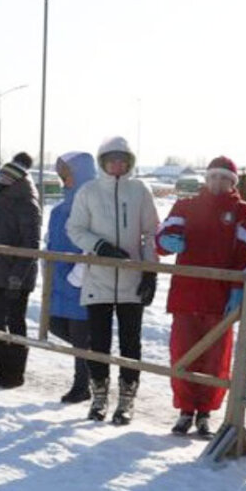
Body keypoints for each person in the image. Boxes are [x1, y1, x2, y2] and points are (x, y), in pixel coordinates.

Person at [156, 156, 246, 438]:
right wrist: (166, 240)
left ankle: (205, 413)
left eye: (225, 178)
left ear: (232, 182)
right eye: (213, 177)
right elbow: (164, 234)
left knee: (215, 359)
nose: (217, 183)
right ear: (206, 178)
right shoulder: (185, 206)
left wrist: (238, 286)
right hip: (186, 295)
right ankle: (185, 410)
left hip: (220, 300)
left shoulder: (243, 212)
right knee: (183, 354)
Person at [66, 136, 160, 425]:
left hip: (131, 279)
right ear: (102, 163)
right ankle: (99, 398)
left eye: (122, 161)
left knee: (131, 342)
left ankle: (127, 401)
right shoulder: (89, 191)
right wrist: (100, 246)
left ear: (129, 163)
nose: (117, 166)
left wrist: (150, 271)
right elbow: (75, 228)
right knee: (99, 343)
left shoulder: (140, 190)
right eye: (111, 161)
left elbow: (150, 233)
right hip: (99, 279)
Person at [0, 158, 41, 388]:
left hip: (17, 276)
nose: (0, 182)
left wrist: (18, 275)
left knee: (14, 322)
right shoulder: (1, 202)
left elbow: (31, 244)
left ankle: (14, 373)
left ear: (16, 181)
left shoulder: (27, 204)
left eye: (5, 178)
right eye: (0, 177)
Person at [46, 152, 97, 403]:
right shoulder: (58, 211)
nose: (63, 180)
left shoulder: (92, 209)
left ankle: (82, 384)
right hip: (57, 280)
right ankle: (94, 359)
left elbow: (92, 244)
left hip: (80, 282)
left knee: (79, 334)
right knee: (54, 324)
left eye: (67, 175)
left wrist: (78, 273)